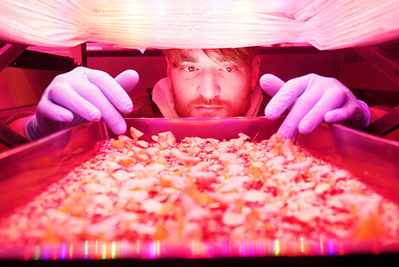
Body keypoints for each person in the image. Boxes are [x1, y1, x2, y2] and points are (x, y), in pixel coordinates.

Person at [8, 47, 379, 141]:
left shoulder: (293, 117)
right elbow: (13, 125)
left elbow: (379, 116)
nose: (208, 90)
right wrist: (40, 128)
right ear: (168, 69)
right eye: (189, 67)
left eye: (227, 67)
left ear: (254, 74)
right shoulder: (126, 118)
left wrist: (360, 114)